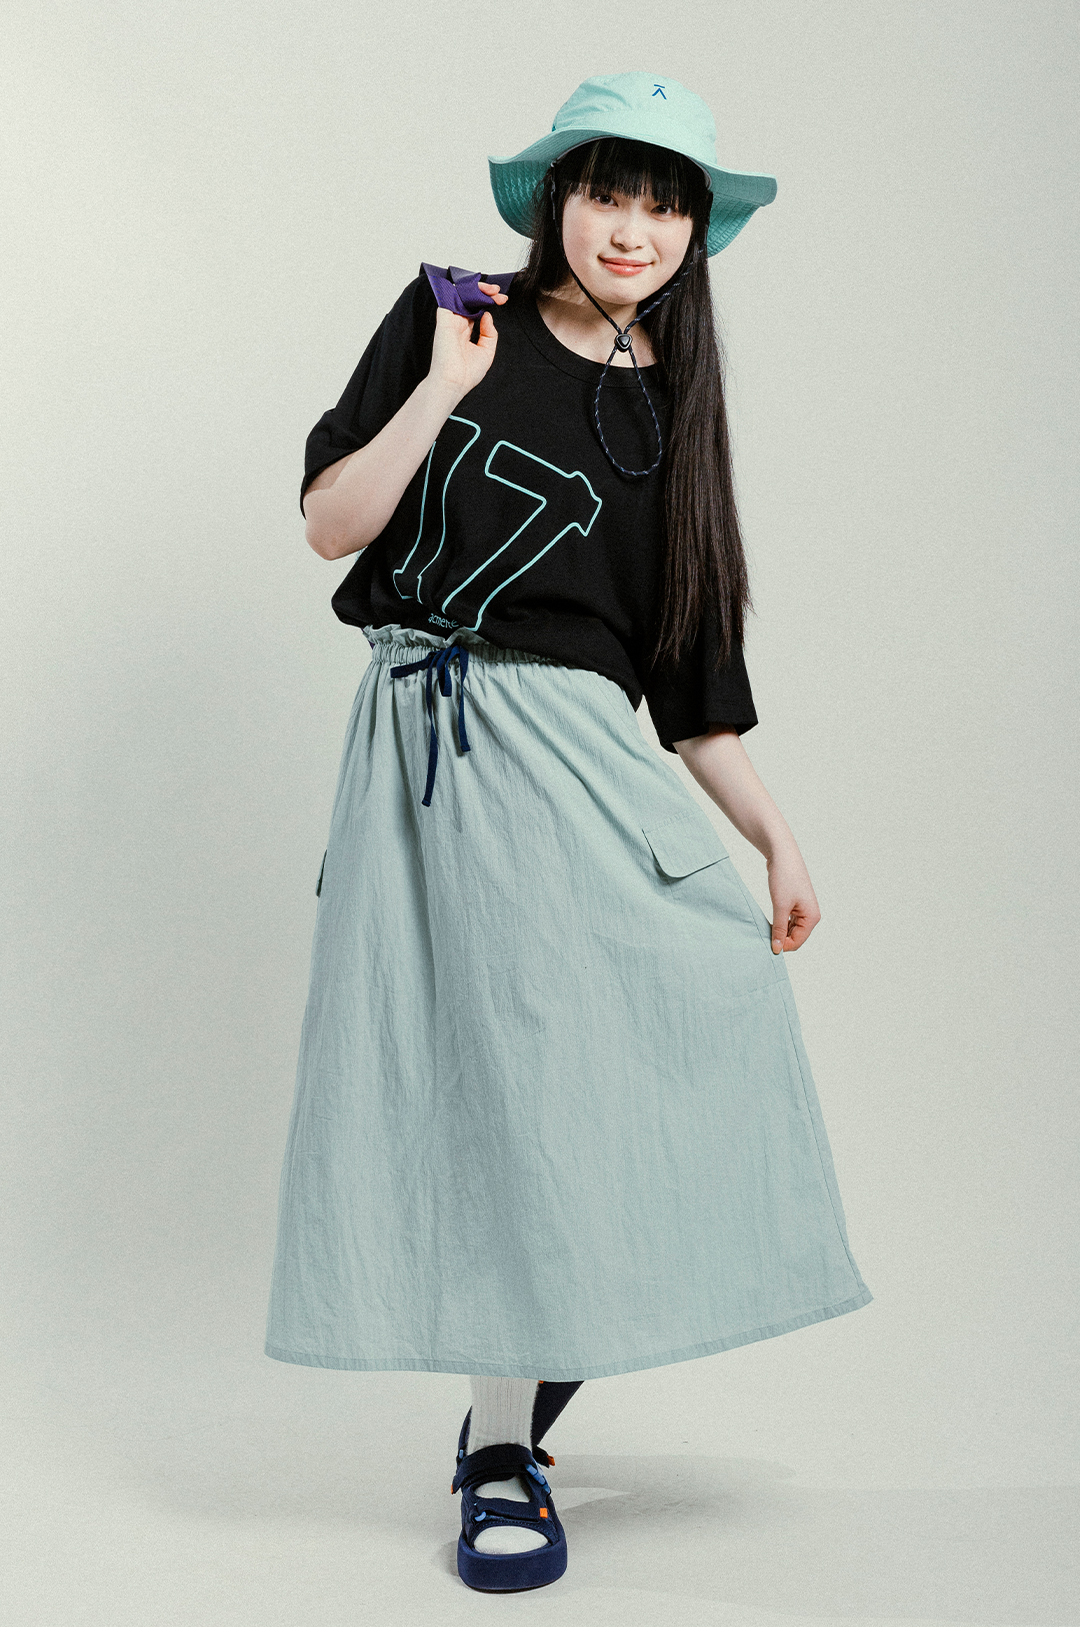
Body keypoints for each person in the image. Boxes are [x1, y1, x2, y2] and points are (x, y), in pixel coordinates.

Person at [264, 71, 872, 1594]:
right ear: (558, 198)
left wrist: (776, 838)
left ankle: (509, 1418)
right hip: (429, 754)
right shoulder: (451, 315)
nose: (633, 230)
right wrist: (442, 389)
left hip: (582, 769)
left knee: (586, 1091)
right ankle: (499, 1443)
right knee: (487, 1104)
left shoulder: (673, 408)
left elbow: (689, 677)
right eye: (610, 192)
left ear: (696, 236)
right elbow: (332, 525)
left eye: (667, 207)